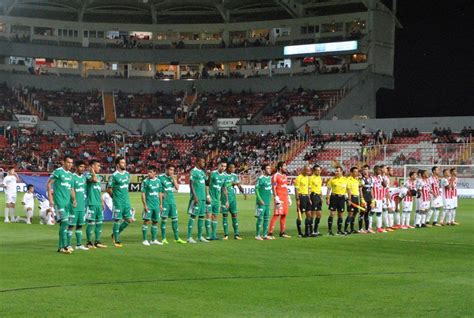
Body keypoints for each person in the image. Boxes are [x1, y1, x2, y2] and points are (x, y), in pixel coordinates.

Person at [47, 156, 74, 254]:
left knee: (64, 224)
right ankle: (65, 246)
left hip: (67, 203)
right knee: (65, 223)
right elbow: (49, 184)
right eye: (68, 162)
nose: (70, 164)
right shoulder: (58, 172)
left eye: (71, 163)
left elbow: (71, 189)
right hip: (59, 202)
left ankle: (61, 247)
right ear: (63, 162)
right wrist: (50, 198)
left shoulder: (71, 175)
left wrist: (74, 200)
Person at [109, 156, 133, 247]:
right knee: (117, 220)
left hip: (126, 201)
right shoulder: (114, 176)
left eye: (124, 162)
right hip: (118, 202)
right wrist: (114, 198)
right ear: (117, 165)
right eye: (122, 163)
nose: (124, 164)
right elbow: (109, 189)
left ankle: (114, 234)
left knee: (129, 220)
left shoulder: (127, 174)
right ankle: (117, 241)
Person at [159, 164, 186, 244]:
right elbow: (158, 190)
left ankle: (177, 238)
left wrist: (173, 178)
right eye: (170, 169)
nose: (172, 171)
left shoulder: (172, 178)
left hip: (172, 201)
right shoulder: (160, 178)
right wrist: (160, 201)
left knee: (175, 219)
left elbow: (177, 188)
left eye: (173, 170)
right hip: (165, 202)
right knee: (164, 220)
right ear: (166, 169)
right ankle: (163, 238)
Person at [186, 155, 209, 243]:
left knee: (201, 216)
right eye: (203, 162)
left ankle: (199, 236)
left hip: (203, 198)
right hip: (196, 198)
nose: (204, 163)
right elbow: (191, 184)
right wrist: (194, 196)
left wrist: (207, 174)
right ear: (198, 162)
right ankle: (189, 237)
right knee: (193, 216)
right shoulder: (193, 171)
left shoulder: (202, 172)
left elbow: (206, 182)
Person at [221, 163, 246, 240]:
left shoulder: (234, 176)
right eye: (232, 167)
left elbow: (238, 184)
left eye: (234, 168)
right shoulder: (223, 175)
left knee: (234, 215)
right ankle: (226, 234)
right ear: (228, 168)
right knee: (225, 216)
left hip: (233, 198)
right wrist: (231, 183)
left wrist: (243, 192)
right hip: (225, 198)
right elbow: (223, 186)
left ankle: (236, 234)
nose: (234, 169)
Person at [85, 159, 107, 249]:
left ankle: (97, 241)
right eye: (98, 166)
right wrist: (92, 171)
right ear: (92, 167)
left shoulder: (97, 177)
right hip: (91, 203)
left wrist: (102, 201)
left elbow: (98, 190)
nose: (99, 167)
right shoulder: (87, 175)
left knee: (99, 223)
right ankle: (89, 242)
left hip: (98, 204)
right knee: (91, 223)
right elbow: (93, 179)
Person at [268, 161, 292, 239]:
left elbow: (285, 187)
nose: (286, 167)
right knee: (276, 215)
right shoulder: (275, 176)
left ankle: (282, 232)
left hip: (285, 197)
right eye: (284, 166)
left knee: (284, 214)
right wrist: (276, 197)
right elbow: (273, 187)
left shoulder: (285, 176)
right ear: (280, 167)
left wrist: (288, 197)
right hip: (279, 198)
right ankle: (270, 233)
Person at [141, 165, 163, 246]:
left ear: (155, 173)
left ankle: (154, 240)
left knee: (155, 221)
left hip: (156, 205)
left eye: (150, 172)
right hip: (149, 205)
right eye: (148, 172)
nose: (148, 173)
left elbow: (160, 193)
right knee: (146, 221)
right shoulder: (145, 181)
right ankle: (145, 240)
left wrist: (161, 204)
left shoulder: (158, 181)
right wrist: (145, 205)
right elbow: (143, 194)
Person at [207, 160, 228, 240]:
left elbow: (224, 188)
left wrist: (226, 200)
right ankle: (208, 235)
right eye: (222, 166)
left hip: (217, 200)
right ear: (218, 165)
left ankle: (214, 235)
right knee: (208, 215)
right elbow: (207, 184)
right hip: (210, 198)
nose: (223, 168)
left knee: (215, 216)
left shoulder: (224, 176)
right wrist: (207, 195)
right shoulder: (213, 173)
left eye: (225, 166)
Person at [70, 161, 88, 251]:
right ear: (76, 167)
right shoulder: (72, 177)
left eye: (84, 167)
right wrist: (74, 200)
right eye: (81, 167)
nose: (83, 169)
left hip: (82, 206)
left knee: (80, 225)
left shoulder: (84, 178)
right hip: (74, 205)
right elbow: (71, 189)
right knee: (71, 225)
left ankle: (78, 244)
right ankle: (68, 245)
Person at [326, 166, 347, 235]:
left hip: (341, 198)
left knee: (340, 214)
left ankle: (339, 230)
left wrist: (348, 198)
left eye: (338, 171)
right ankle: (329, 230)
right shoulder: (332, 180)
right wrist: (327, 198)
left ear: (341, 171)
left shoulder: (345, 179)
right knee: (332, 213)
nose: (336, 172)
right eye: (336, 171)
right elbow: (328, 190)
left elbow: (348, 189)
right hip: (334, 197)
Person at [255, 164, 273, 240]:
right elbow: (256, 189)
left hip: (268, 202)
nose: (269, 170)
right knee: (260, 218)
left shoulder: (269, 178)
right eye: (268, 168)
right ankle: (257, 235)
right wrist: (260, 199)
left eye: (270, 168)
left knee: (266, 218)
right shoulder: (260, 178)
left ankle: (265, 234)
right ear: (264, 170)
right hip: (261, 202)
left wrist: (270, 200)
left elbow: (269, 190)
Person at [294, 165, 312, 237]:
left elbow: (308, 189)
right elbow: (296, 190)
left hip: (307, 198)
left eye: (309, 171)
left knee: (309, 214)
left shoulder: (308, 178)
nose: (308, 172)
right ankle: (299, 232)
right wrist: (297, 199)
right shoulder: (299, 178)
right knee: (300, 215)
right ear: (303, 170)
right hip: (301, 197)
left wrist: (309, 198)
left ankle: (307, 232)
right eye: (307, 170)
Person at [345, 167, 362, 234]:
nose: (356, 173)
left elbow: (359, 187)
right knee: (350, 213)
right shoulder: (348, 179)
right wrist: (348, 199)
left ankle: (352, 229)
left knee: (355, 213)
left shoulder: (357, 180)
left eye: (357, 171)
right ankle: (345, 229)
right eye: (355, 171)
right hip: (351, 197)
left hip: (356, 197)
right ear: (351, 172)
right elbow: (347, 189)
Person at [371, 166, 386, 233]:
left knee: (379, 213)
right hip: (375, 198)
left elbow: (384, 185)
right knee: (372, 212)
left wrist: (383, 177)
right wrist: (373, 198)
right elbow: (371, 188)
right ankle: (369, 227)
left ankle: (379, 227)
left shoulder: (380, 177)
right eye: (379, 170)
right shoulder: (372, 178)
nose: (380, 171)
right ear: (375, 170)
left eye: (380, 170)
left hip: (380, 198)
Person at [309, 164, 323, 236]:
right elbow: (309, 189)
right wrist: (309, 198)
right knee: (313, 215)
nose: (319, 171)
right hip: (313, 196)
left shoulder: (320, 178)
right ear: (314, 171)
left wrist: (321, 197)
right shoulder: (311, 178)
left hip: (318, 197)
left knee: (319, 215)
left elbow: (320, 188)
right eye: (317, 170)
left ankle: (315, 230)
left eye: (319, 170)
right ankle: (311, 231)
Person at [359, 165, 373, 233]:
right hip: (364, 198)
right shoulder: (361, 179)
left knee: (367, 213)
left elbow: (371, 189)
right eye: (364, 169)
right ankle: (360, 229)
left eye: (366, 169)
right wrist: (362, 198)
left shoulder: (371, 179)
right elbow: (360, 189)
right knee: (362, 213)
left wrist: (373, 199)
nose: (365, 170)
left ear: (369, 170)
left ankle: (367, 229)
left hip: (369, 198)